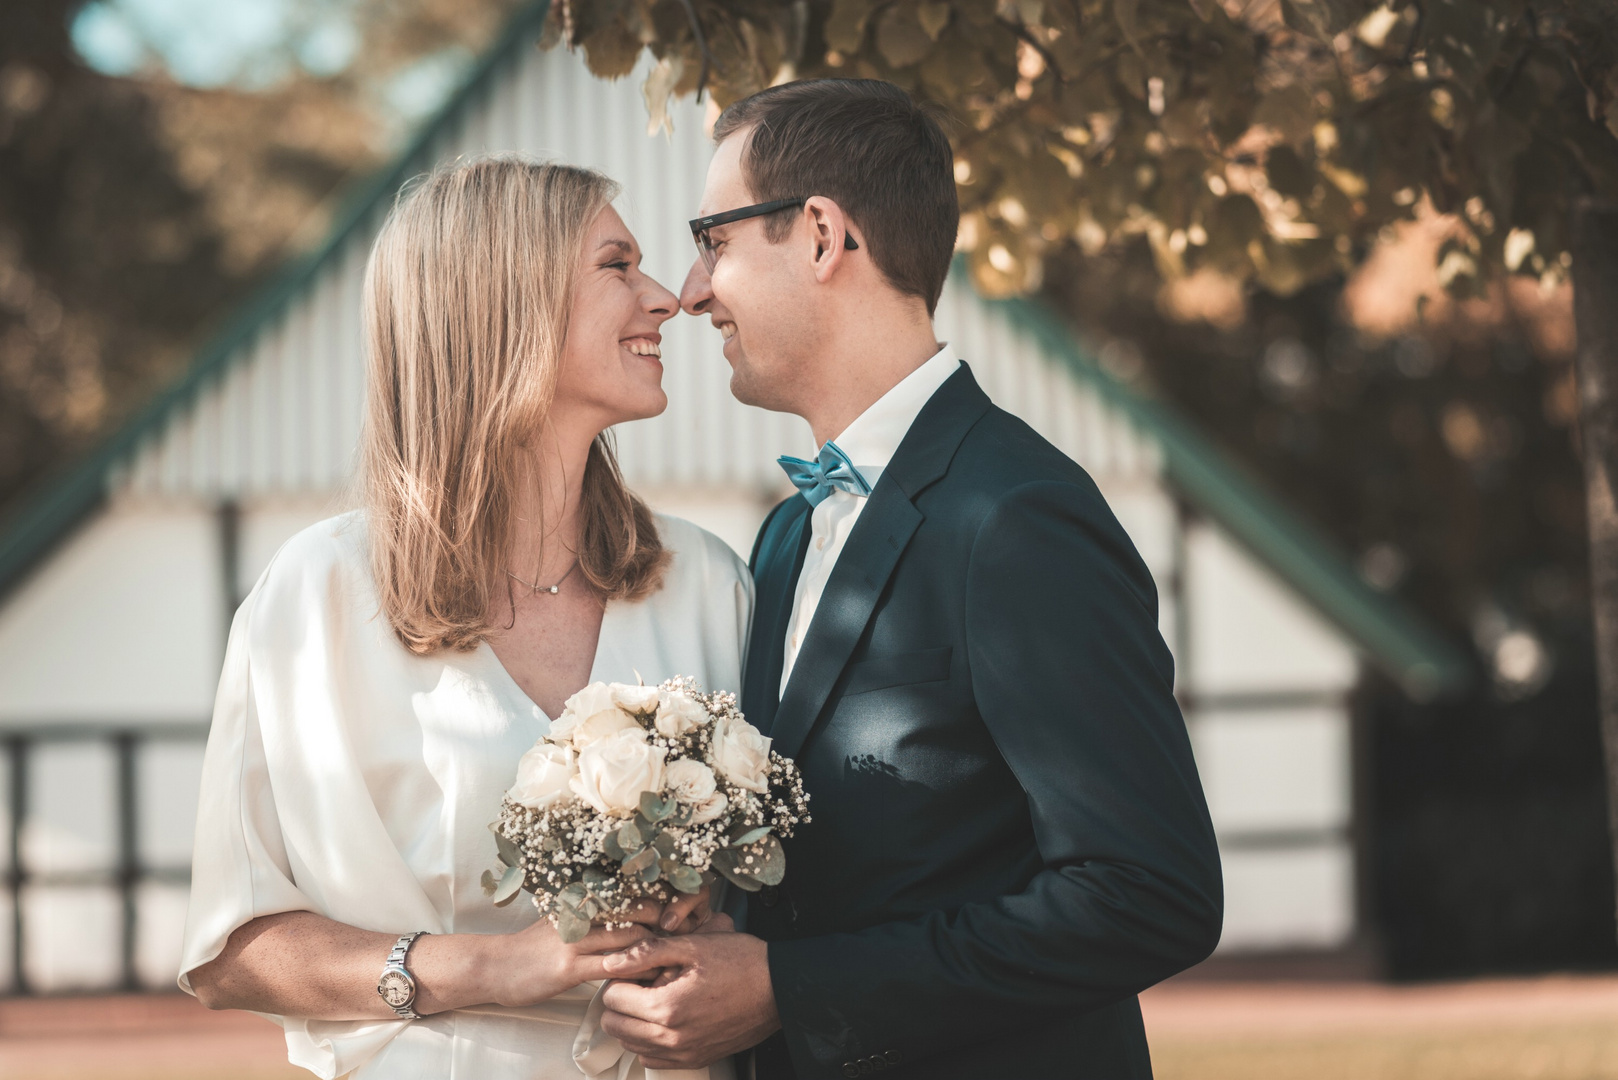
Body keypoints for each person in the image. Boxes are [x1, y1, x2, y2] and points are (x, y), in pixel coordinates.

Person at [595, 79, 1225, 1080]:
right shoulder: (787, 536)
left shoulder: (1017, 518)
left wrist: (788, 991)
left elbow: (1146, 892)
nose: (693, 288)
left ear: (818, 235)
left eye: (713, 237)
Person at [178, 157, 749, 1080]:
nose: (664, 299)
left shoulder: (709, 584)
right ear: (504, 302)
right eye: (617, 266)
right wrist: (498, 964)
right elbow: (232, 950)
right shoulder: (316, 595)